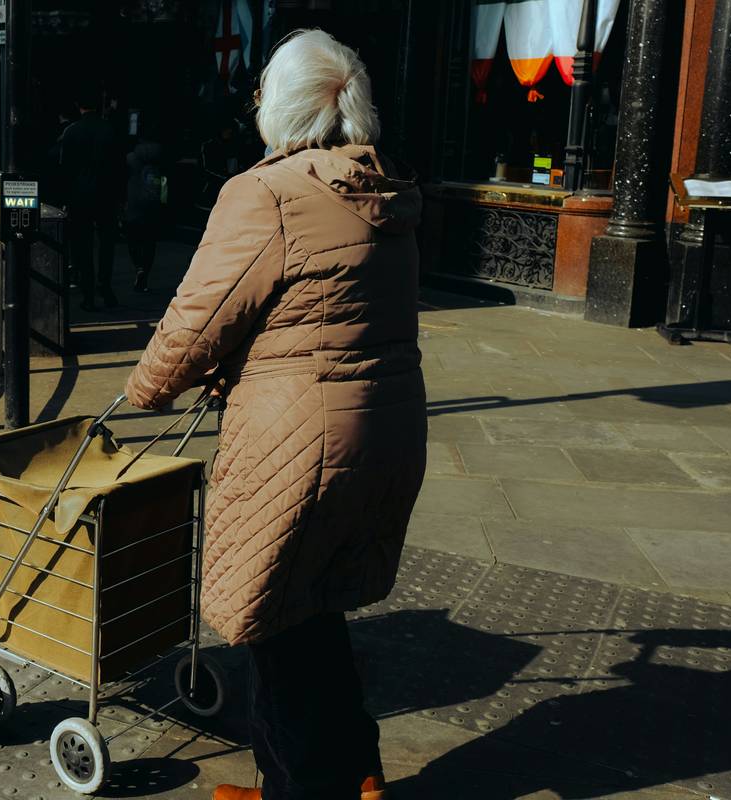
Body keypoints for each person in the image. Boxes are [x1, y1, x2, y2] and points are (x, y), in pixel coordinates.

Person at [125, 29, 427, 800]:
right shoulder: (381, 184)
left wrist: (145, 390)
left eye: (260, 91)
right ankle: (354, 775)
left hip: (300, 444)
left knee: (272, 629)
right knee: (317, 613)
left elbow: (202, 315)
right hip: (385, 430)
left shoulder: (266, 193)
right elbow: (321, 311)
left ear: (280, 107)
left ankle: (303, 787)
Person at [60, 87, 124, 310]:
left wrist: (65, 198)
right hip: (107, 195)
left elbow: (65, 170)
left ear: (79, 106)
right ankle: (104, 286)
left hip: (79, 196)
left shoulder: (71, 132)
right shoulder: (110, 130)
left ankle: (87, 293)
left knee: (83, 246)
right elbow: (119, 167)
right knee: (107, 244)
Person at [124, 121, 167, 292]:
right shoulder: (161, 155)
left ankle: (138, 266)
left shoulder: (130, 158)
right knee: (150, 240)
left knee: (132, 237)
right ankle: (145, 271)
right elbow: (165, 181)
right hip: (153, 201)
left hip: (134, 200)